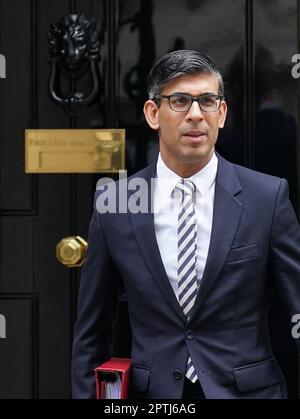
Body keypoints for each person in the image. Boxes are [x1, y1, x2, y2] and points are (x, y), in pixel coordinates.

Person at [71, 50, 300, 399]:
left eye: (207, 101)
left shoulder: (267, 198)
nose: (196, 115)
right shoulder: (114, 205)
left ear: (221, 114)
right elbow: (92, 331)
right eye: (180, 101)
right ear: (152, 113)